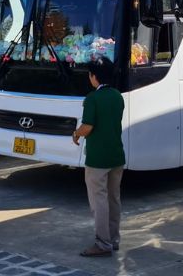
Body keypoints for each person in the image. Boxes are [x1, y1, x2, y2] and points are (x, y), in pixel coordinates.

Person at [71, 56, 125, 257]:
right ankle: (113, 239)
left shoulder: (92, 98)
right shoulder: (118, 96)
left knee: (99, 201)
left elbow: (87, 128)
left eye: (90, 75)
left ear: (94, 77)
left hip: (97, 159)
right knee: (113, 199)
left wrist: (76, 133)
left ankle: (102, 243)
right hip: (116, 156)